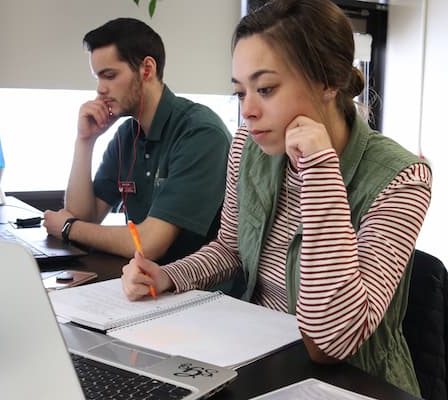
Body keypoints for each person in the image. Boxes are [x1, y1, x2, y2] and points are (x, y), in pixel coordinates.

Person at [121, 0, 432, 396]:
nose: (248, 111)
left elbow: (333, 340)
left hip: (353, 379)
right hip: (261, 357)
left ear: (328, 81)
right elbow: (231, 248)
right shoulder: (246, 150)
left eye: (265, 89)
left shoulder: (402, 178)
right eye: (240, 92)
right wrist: (168, 275)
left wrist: (319, 170)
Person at [43, 18, 232, 264]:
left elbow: (150, 244)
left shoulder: (200, 133)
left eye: (109, 75)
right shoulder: (127, 135)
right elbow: (84, 218)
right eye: (97, 78)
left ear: (147, 69)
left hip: (200, 292)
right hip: (145, 285)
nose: (100, 89)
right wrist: (85, 141)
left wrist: (68, 228)